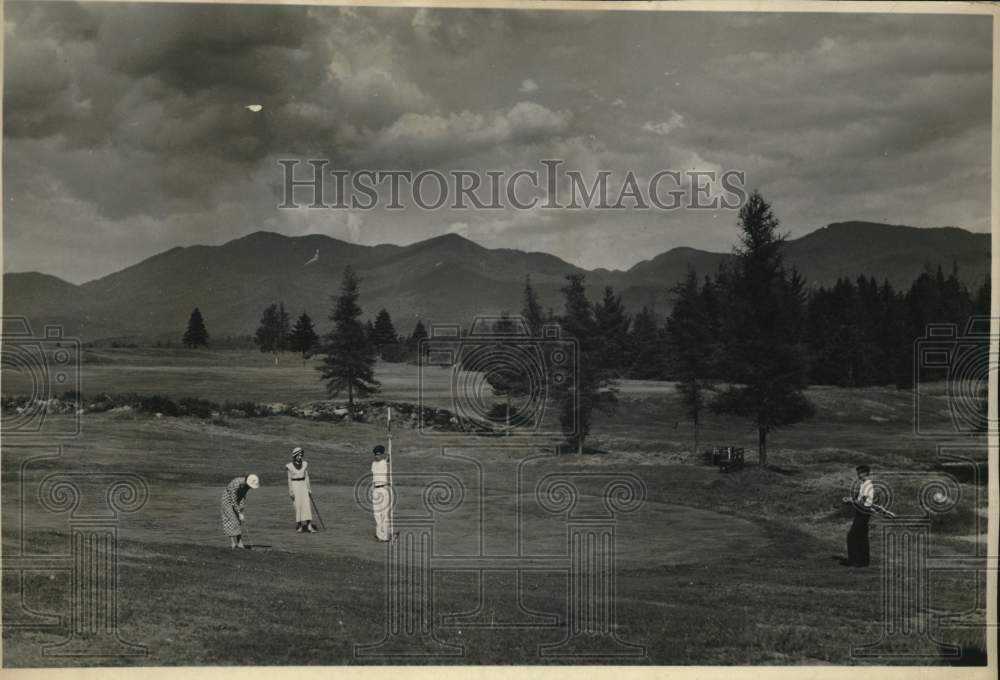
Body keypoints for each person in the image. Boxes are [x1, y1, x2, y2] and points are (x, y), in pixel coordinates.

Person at [841, 465, 874, 567]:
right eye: (858, 473)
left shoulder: (868, 485)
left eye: (860, 473)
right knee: (862, 536)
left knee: (852, 536)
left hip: (864, 512)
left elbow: (862, 501)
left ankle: (854, 560)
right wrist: (851, 499)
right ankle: (863, 561)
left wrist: (851, 501)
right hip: (862, 512)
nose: (858, 475)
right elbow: (860, 499)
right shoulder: (864, 484)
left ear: (865, 473)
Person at [222, 473, 259, 549]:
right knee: (231, 520)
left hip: (237, 499)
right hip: (227, 500)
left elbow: (242, 497)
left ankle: (239, 543)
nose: (250, 488)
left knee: (239, 521)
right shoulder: (236, 483)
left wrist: (241, 510)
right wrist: (239, 513)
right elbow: (233, 500)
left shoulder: (247, 486)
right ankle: (233, 543)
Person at [286, 446, 317, 533]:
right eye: (298, 455)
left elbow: (306, 477)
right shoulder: (289, 466)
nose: (300, 457)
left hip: (303, 486)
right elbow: (289, 479)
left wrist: (309, 489)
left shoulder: (305, 464)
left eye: (301, 455)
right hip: (295, 486)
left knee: (306, 505)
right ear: (295, 455)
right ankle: (299, 526)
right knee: (297, 506)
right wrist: (291, 491)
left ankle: (309, 526)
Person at [371, 445, 395, 542]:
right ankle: (379, 535)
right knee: (377, 513)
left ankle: (385, 536)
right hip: (375, 490)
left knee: (384, 513)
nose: (377, 456)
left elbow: (389, 459)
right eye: (376, 454)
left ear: (382, 454)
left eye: (379, 454)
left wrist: (389, 452)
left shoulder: (384, 462)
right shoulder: (373, 464)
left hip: (383, 489)